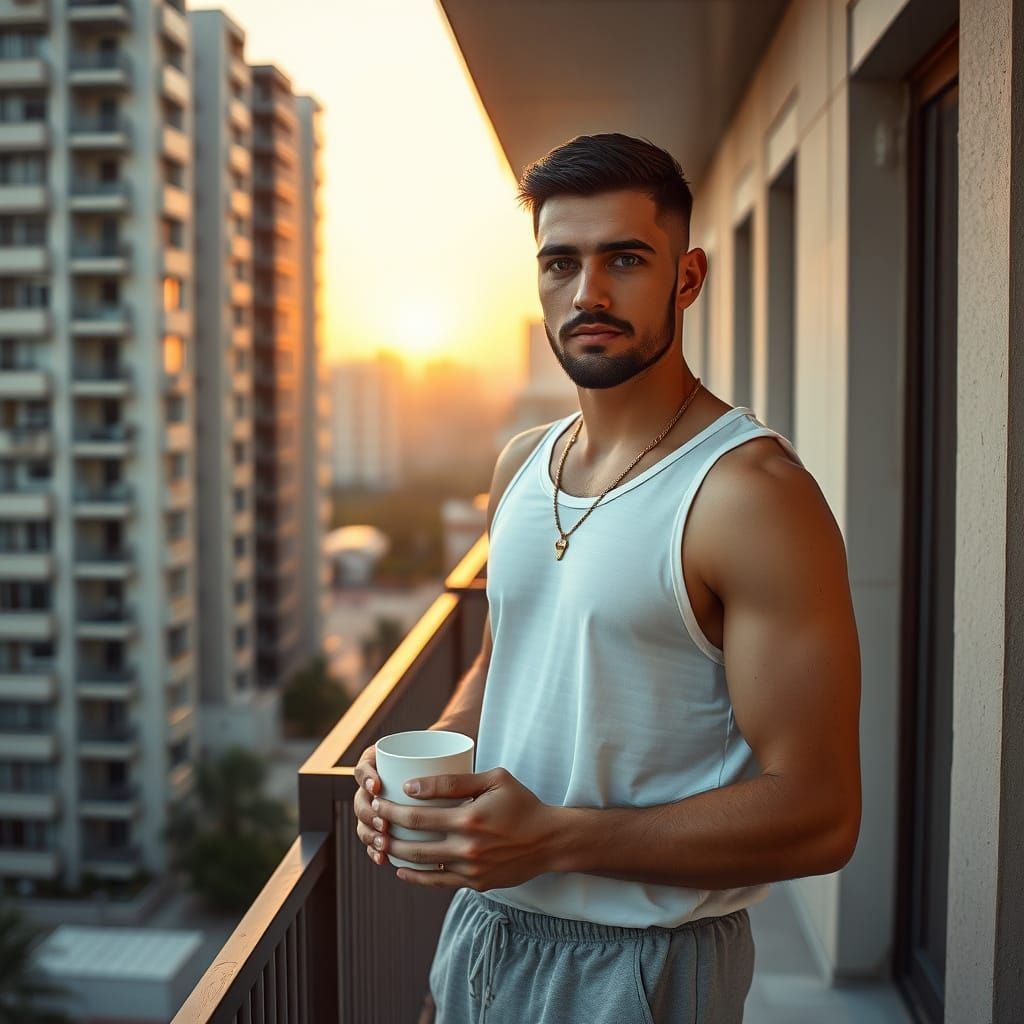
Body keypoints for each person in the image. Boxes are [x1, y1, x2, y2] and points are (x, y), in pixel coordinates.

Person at [353, 133, 861, 1023]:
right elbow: (505, 659)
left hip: (643, 968)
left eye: (625, 259)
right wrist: (426, 771)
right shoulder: (521, 464)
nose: (587, 293)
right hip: (480, 935)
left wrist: (556, 842)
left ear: (688, 276)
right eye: (561, 263)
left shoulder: (751, 496)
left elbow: (821, 813)